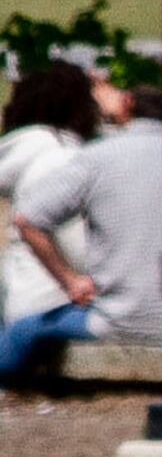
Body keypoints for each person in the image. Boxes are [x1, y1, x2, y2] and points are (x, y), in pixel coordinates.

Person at [0, 83, 162, 386]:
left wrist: (70, 281)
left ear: (128, 104)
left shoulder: (97, 159)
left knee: (21, 332)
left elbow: (28, 220)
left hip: (119, 321)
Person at [0, 63, 100, 334]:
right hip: (60, 306)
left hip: (24, 305)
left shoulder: (29, 155)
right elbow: (81, 250)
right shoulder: (61, 159)